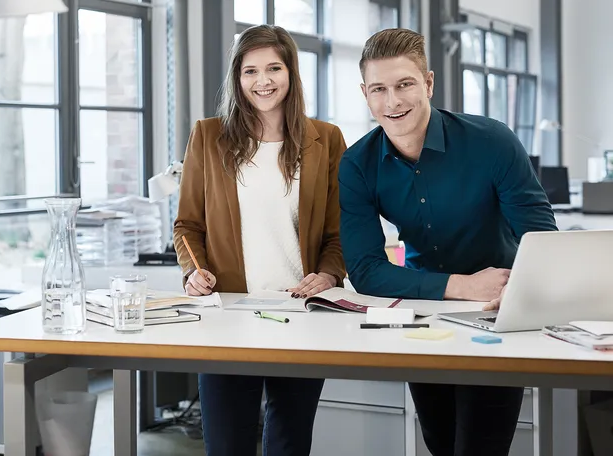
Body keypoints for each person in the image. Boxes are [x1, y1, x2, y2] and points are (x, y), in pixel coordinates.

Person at [338, 28, 556, 456]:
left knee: (480, 446)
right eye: (379, 89)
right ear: (365, 94)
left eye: (404, 84)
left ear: (429, 83)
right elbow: (364, 270)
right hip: (425, 317)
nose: (393, 102)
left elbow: (541, 238)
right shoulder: (358, 164)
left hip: (497, 313)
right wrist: (462, 285)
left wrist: (515, 288)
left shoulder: (491, 141)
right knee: (439, 444)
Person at [174, 24, 347, 456]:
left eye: (274, 68)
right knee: (227, 445)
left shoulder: (325, 139)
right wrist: (194, 271)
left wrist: (328, 275)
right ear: (237, 78)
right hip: (227, 316)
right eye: (250, 71)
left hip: (301, 315)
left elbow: (339, 231)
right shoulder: (209, 136)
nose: (263, 81)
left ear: (291, 72)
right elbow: (187, 225)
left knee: (289, 443)